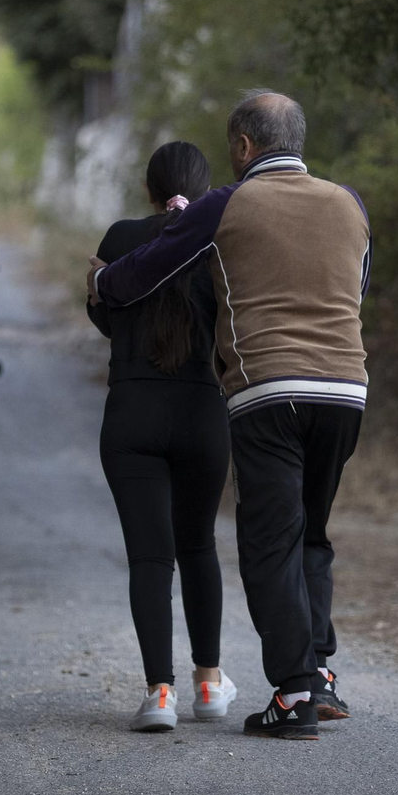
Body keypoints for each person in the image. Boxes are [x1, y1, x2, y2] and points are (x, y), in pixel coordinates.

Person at [88, 91, 369, 740]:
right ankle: (304, 674)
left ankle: (290, 691)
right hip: (345, 387)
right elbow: (354, 286)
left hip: (267, 390)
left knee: (265, 543)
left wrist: (99, 283)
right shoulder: (348, 204)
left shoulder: (227, 205)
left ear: (244, 147)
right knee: (309, 535)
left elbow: (144, 272)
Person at [88, 142, 236, 733]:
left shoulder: (120, 238)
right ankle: (209, 684)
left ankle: (159, 695)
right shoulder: (221, 242)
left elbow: (103, 316)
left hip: (132, 410)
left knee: (150, 555)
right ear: (206, 190)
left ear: (150, 189)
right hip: (203, 411)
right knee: (198, 545)